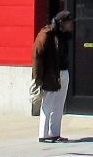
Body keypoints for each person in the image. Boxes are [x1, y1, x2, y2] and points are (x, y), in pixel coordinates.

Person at [32, 10, 74, 143]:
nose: (71, 25)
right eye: (69, 22)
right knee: (48, 103)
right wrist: (38, 77)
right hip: (51, 72)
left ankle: (54, 133)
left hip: (63, 71)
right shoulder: (47, 34)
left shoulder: (65, 35)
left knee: (59, 104)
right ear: (61, 23)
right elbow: (38, 55)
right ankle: (43, 134)